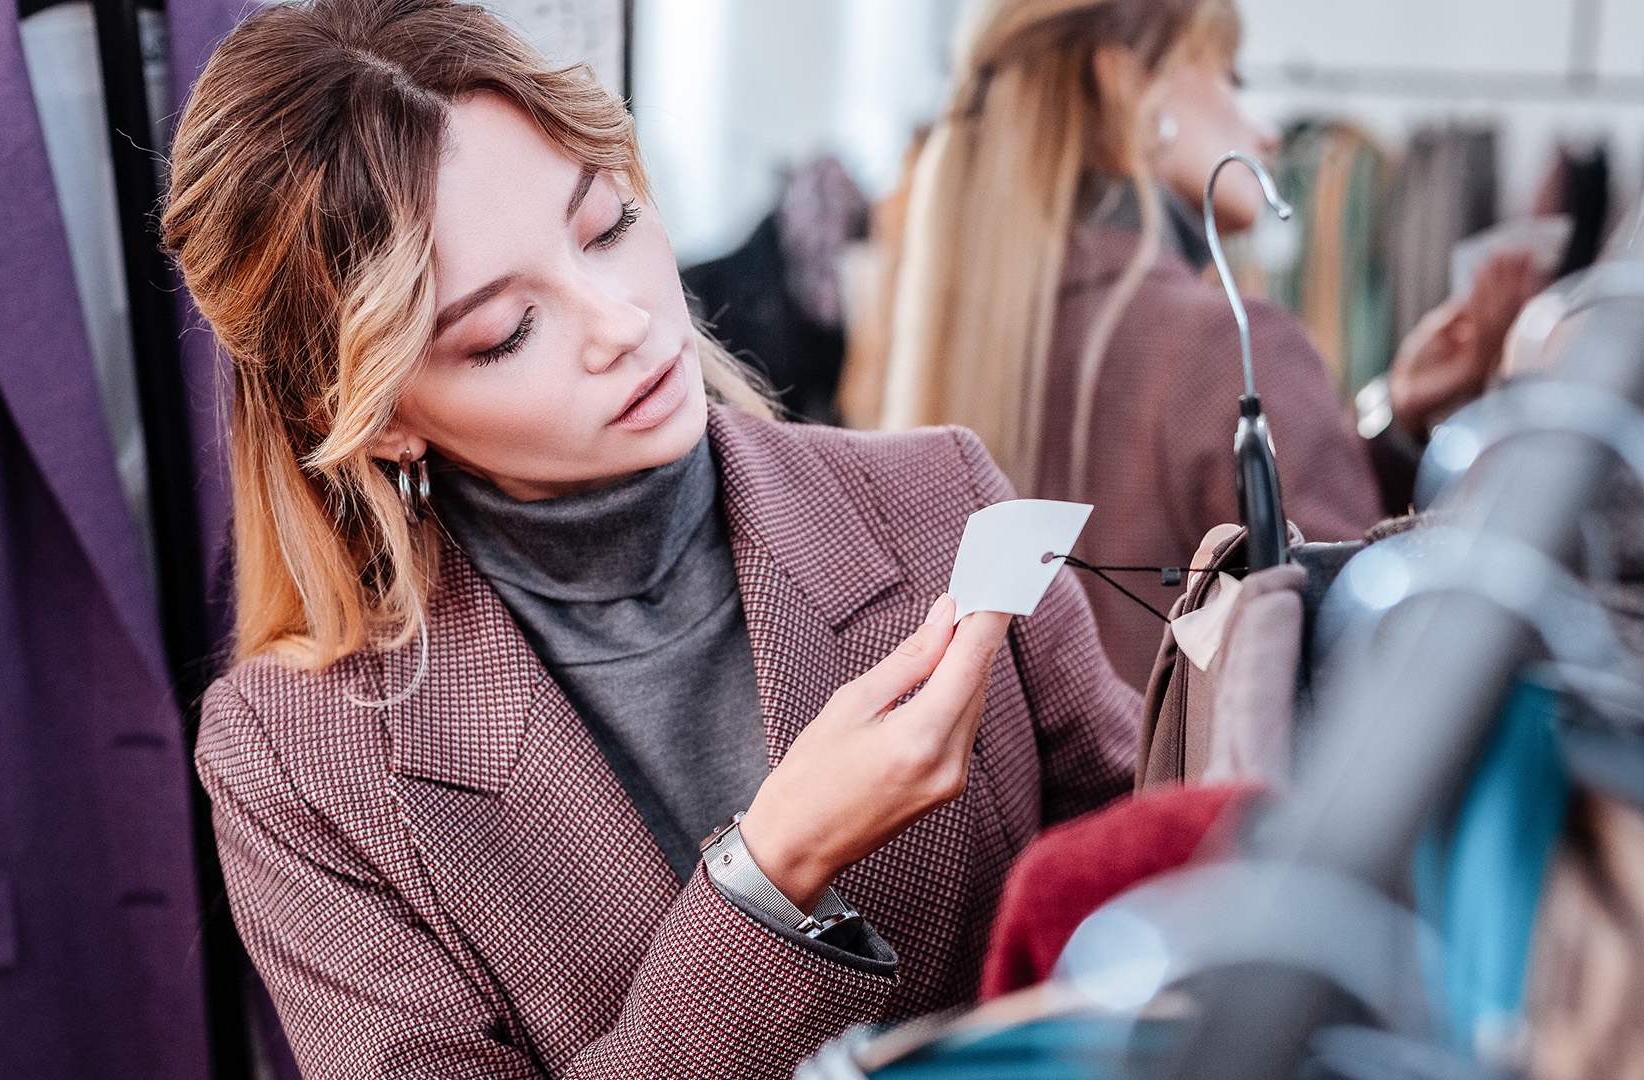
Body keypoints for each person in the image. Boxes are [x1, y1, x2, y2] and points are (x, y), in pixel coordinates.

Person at [160, 0, 1139, 1076]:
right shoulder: (298, 760)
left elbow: (1164, 904)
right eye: (506, 332)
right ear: (377, 415)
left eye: (610, 225)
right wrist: (773, 872)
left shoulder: (941, 502)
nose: (622, 322)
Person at [880, 0, 1385, 686]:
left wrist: (1394, 423)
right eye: (1232, 78)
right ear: (1127, 86)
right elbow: (1365, 654)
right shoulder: (1228, 352)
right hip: (1212, 795)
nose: (1264, 131)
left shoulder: (974, 346)